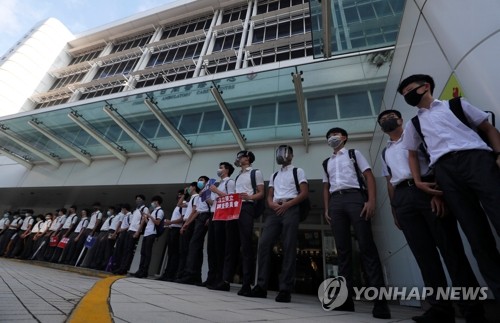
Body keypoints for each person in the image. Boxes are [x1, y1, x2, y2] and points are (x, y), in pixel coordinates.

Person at [398, 74, 500, 300]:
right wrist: (417, 181)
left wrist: (498, 153)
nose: (407, 95)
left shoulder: (456, 105)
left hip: (477, 159)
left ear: (425, 87)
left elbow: (488, 128)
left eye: (409, 90)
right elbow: (412, 154)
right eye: (403, 94)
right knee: (476, 234)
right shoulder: (414, 123)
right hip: (444, 171)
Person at [378, 109, 487, 323]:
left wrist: (438, 193)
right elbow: (389, 180)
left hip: (427, 192)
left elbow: (435, 164)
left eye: (391, 116)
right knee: (424, 257)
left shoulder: (418, 137)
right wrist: (394, 209)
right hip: (403, 199)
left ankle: (472, 309)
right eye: (382, 119)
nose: (386, 120)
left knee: (451, 251)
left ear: (401, 120)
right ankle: (440, 309)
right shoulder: (385, 152)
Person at [322, 127, 390, 319]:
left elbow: (368, 176)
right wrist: (327, 208)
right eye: (329, 136)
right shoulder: (326, 161)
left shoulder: (354, 153)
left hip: (355, 198)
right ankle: (345, 300)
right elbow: (326, 187)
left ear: (344, 137)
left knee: (367, 246)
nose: (331, 138)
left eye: (335, 135)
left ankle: (380, 303)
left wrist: (371, 201)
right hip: (336, 202)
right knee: (342, 251)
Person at [249, 145, 308, 303]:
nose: (281, 155)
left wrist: (288, 205)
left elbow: (304, 192)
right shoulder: (274, 174)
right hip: (275, 210)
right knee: (264, 243)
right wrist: (271, 204)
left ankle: (285, 289)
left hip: (291, 207)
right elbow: (269, 195)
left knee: (289, 246)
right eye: (279, 152)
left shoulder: (298, 171)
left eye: (285, 152)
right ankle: (261, 286)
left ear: (291, 155)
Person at [229, 150, 264, 296]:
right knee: (232, 243)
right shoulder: (237, 176)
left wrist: (250, 197)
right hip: (234, 208)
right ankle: (227, 279)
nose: (238, 159)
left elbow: (261, 192)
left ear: (247, 158)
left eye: (240, 156)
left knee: (246, 244)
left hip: (247, 207)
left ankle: (246, 283)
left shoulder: (255, 172)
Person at [177, 176, 212, 285]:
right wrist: (186, 224)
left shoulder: (207, 191)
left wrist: (209, 217)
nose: (199, 182)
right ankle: (195, 275)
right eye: (199, 180)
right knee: (196, 247)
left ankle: (190, 274)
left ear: (206, 182)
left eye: (201, 180)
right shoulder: (201, 193)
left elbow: (208, 206)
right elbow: (196, 210)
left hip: (203, 217)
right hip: (199, 218)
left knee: (194, 245)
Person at [207, 162, 236, 290]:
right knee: (212, 248)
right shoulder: (218, 184)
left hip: (223, 217)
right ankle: (212, 277)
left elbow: (231, 198)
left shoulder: (230, 182)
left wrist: (216, 191)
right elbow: (216, 202)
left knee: (220, 248)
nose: (219, 169)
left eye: (222, 167)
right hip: (214, 215)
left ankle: (222, 279)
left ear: (227, 170)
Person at [113, 195, 149, 275]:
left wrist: (138, 232)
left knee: (129, 250)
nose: (137, 201)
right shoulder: (136, 210)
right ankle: (121, 267)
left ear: (143, 200)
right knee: (125, 250)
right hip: (130, 231)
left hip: (135, 231)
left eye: (139, 199)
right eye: (136, 199)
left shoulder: (144, 208)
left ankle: (124, 268)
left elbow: (143, 220)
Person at [158, 190, 186, 281]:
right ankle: (167, 273)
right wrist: (169, 223)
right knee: (170, 253)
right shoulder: (177, 206)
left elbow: (182, 218)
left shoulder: (184, 204)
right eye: (178, 195)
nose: (179, 197)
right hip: (172, 229)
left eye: (181, 195)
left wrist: (171, 222)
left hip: (177, 230)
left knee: (174, 253)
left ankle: (171, 274)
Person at [133, 195, 164, 278]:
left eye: (153, 202)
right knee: (143, 252)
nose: (152, 203)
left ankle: (144, 271)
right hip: (147, 233)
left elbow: (157, 222)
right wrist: (145, 217)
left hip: (152, 233)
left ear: (157, 202)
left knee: (147, 253)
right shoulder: (153, 211)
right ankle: (140, 270)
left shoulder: (160, 211)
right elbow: (149, 222)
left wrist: (149, 216)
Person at [175, 182, 199, 280]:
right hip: (187, 224)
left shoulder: (196, 197)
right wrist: (185, 194)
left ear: (193, 187)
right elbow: (179, 204)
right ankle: (180, 273)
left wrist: (185, 225)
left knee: (186, 250)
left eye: (189, 187)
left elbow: (194, 211)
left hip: (189, 224)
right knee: (183, 250)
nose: (188, 188)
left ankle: (184, 274)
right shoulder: (191, 198)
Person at [111, 204, 132, 272]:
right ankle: (115, 266)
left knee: (122, 250)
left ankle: (120, 266)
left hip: (125, 233)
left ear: (125, 209)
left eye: (122, 209)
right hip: (121, 233)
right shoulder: (125, 216)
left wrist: (122, 230)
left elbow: (130, 225)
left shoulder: (130, 215)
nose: (122, 210)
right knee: (118, 249)